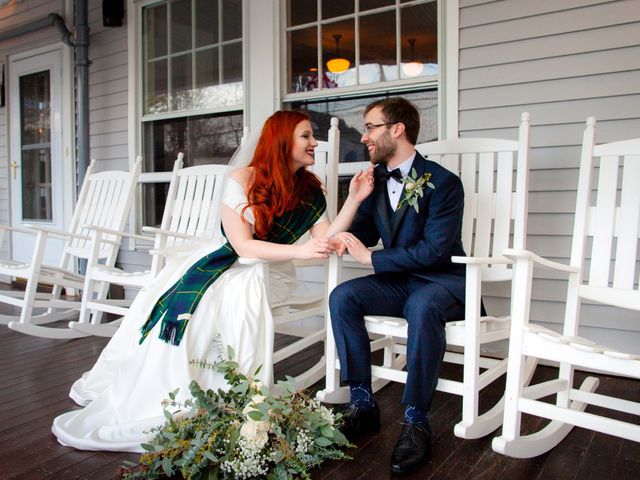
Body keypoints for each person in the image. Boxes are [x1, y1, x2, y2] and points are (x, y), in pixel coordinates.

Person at [52, 110, 373, 452]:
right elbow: (243, 246)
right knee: (200, 300)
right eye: (306, 136)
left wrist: (353, 200)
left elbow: (325, 238)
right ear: (282, 142)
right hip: (225, 260)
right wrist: (302, 252)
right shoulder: (242, 178)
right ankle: (179, 386)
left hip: (271, 272)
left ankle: (223, 382)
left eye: (313, 136)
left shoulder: (310, 192)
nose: (314, 143)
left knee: (231, 293)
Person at [329, 97, 466, 475]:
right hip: (400, 283)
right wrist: (351, 212)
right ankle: (362, 403)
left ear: (397, 129)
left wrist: (372, 260)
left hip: (445, 283)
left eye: (371, 127)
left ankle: (415, 419)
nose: (364, 135)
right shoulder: (376, 181)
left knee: (422, 306)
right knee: (344, 296)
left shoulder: (444, 183)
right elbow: (364, 233)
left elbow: (436, 250)